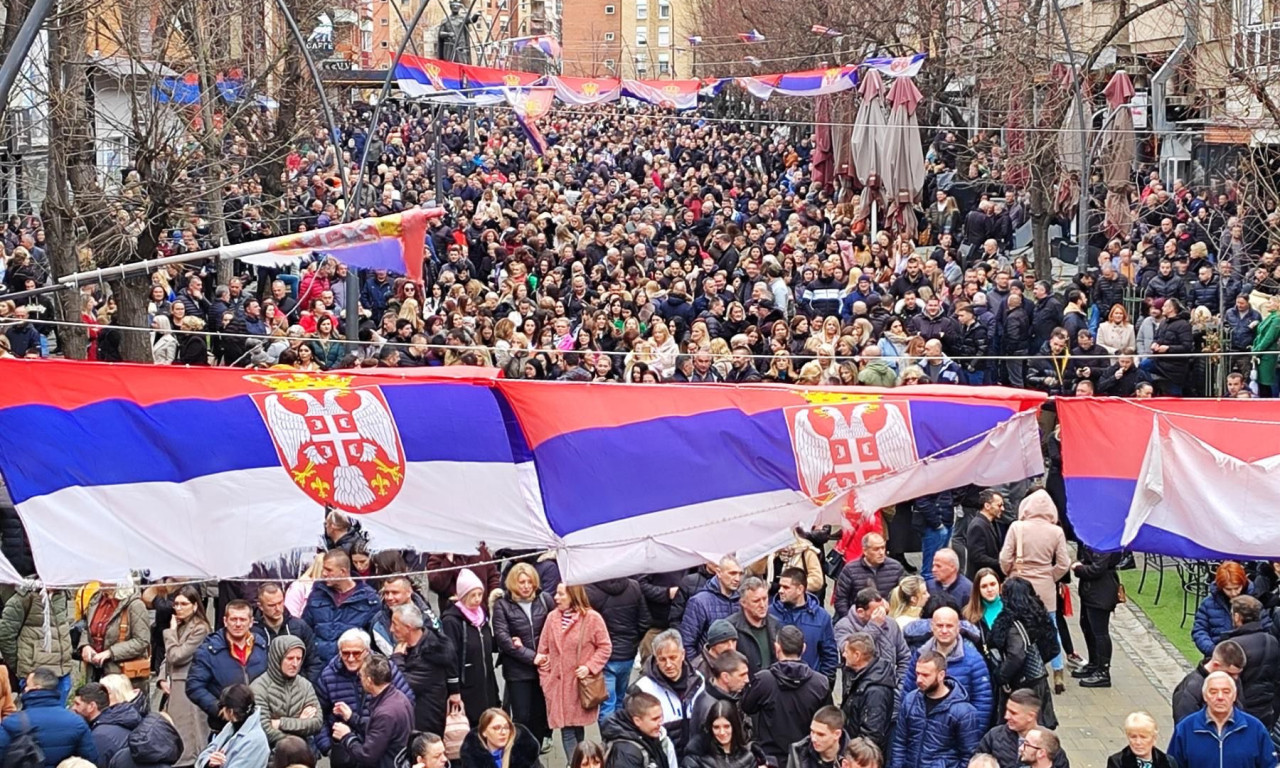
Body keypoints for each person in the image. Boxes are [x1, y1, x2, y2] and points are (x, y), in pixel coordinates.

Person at [998, 490, 1069, 690]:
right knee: (1051, 627)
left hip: (1018, 582)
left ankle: (1024, 668)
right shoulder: (1056, 531)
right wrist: (1050, 575)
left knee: (1017, 627)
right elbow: (1064, 563)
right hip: (1045, 586)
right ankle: (1058, 671)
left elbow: (1004, 557)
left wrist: (1009, 572)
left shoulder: (1017, 527)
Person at [314, 629, 415, 761]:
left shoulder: (385, 669)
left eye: (356, 653)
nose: (350, 658)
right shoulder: (328, 676)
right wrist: (328, 748)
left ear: (367, 651)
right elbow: (318, 715)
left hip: (379, 754)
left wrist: (348, 735)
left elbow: (407, 704)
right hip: (345, 754)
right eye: (345, 653)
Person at [537, 583, 612, 760]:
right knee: (567, 728)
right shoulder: (551, 618)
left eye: (561, 594)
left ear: (573, 595)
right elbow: (543, 649)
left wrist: (590, 667)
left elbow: (605, 647)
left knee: (576, 727)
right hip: (558, 685)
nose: (556, 597)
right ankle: (577, 762)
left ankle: (578, 761)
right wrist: (545, 678)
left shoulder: (592, 618)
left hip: (579, 685)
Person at [741, 625, 830, 763]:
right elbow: (828, 720)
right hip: (805, 759)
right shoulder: (820, 684)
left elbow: (747, 706)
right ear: (804, 648)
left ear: (777, 648)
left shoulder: (763, 680)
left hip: (770, 758)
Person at [492, 563, 553, 744]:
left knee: (540, 717)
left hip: (543, 669)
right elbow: (504, 639)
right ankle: (521, 756)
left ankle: (535, 753)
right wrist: (532, 656)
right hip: (518, 672)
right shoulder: (502, 606)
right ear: (513, 583)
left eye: (529, 581)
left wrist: (545, 655)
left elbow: (555, 628)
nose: (526, 586)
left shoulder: (544, 599)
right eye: (521, 582)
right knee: (522, 717)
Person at [902, 608, 994, 727]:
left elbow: (983, 702)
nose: (944, 630)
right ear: (932, 627)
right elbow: (907, 692)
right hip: (922, 729)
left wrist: (973, 733)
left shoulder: (974, 660)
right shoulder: (920, 655)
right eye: (940, 626)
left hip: (958, 732)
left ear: (958, 628)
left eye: (949, 626)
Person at [889, 652, 982, 768]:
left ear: (941, 675)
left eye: (925, 675)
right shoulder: (910, 700)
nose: (919, 679)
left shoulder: (964, 712)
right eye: (917, 673)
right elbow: (899, 743)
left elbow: (969, 756)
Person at [986, 578, 1058, 728]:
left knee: (1019, 727)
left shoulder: (1011, 623)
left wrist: (1001, 676)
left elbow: (1016, 654)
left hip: (1019, 684)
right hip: (1038, 679)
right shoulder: (1041, 616)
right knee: (1038, 726)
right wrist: (1037, 660)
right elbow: (1053, 648)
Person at [187, 600, 269, 730]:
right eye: (233, 619)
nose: (238, 624)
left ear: (251, 622)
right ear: (225, 621)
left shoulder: (261, 646)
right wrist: (219, 709)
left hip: (258, 723)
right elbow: (194, 686)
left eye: (242, 619)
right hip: (224, 727)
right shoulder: (208, 650)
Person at [1167, 672, 1274, 768]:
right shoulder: (1185, 729)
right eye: (1213, 692)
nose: (1220, 697)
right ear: (1204, 696)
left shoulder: (1255, 729)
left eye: (1226, 691)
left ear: (1234, 695)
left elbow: (1270, 764)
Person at [302, 549, 382, 673]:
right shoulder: (318, 592)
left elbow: (374, 642)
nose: (323, 573)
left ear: (343, 572)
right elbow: (305, 628)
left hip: (352, 669)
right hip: (317, 667)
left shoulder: (369, 599)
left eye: (329, 570)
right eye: (324, 569)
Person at [0, 667, 98, 767]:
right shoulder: (77, 723)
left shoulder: (12, 723)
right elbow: (89, 761)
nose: (24, 689)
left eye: (27, 685)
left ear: (36, 688)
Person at [630, 629, 706, 758]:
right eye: (662, 659)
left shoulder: (699, 680)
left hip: (695, 756)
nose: (668, 664)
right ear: (655, 659)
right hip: (662, 756)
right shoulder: (643, 687)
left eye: (673, 657)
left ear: (682, 655)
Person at [389, 603, 460, 740]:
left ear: (408, 628)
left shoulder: (432, 655)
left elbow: (403, 685)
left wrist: (397, 659)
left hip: (424, 725)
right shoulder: (410, 646)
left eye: (395, 624)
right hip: (411, 719)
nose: (391, 629)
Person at [585, 577, 652, 722]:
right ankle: (618, 739)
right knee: (620, 700)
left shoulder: (590, 590)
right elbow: (645, 621)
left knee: (607, 704)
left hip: (603, 656)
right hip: (627, 653)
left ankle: (608, 740)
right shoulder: (634, 586)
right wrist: (633, 641)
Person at [330, 654, 415, 768]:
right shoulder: (399, 697)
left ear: (369, 680)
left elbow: (367, 756)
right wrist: (351, 718)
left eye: (361, 675)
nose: (360, 679)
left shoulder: (385, 713)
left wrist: (346, 736)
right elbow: (379, 730)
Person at [440, 569, 500, 725]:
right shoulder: (452, 621)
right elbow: (450, 656)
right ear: (463, 595)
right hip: (467, 686)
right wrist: (454, 690)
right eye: (473, 595)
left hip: (486, 682)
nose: (477, 599)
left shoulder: (482, 615)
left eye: (480, 594)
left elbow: (487, 642)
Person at [159, 585, 211, 765]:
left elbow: (177, 655)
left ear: (195, 606)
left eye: (183, 604)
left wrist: (171, 633)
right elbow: (167, 657)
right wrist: (160, 679)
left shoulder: (200, 629)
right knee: (173, 729)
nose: (178, 608)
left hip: (188, 686)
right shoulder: (180, 626)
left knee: (189, 732)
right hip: (173, 685)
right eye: (176, 604)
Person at [0, 583, 75, 703]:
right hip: (35, 676)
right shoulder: (24, 598)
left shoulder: (63, 594)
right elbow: (5, 635)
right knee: (36, 718)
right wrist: (19, 666)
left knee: (59, 717)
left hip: (62, 673)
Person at [249, 635, 322, 748]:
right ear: (277, 658)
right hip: (270, 758)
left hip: (303, 757)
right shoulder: (259, 688)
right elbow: (264, 729)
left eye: (299, 659)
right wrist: (299, 723)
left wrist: (280, 723)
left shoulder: (305, 685)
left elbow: (316, 723)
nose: (295, 664)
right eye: (290, 658)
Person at [769, 569, 838, 684]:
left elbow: (829, 655)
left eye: (786, 587)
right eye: (780, 586)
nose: (780, 591)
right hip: (777, 686)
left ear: (800, 589)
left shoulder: (821, 617)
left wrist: (825, 685)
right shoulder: (770, 613)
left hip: (810, 686)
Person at [1221, 595, 1280, 728]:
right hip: (1266, 710)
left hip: (1239, 711)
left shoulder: (1232, 646)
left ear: (1236, 617)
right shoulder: (1272, 641)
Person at [77, 585, 151, 688]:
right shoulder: (95, 600)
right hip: (95, 673)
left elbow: (142, 641)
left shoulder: (135, 605)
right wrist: (85, 645)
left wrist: (110, 653)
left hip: (123, 679)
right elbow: (87, 627)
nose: (101, 581)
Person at [1070, 545, 1122, 689]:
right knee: (1087, 626)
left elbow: (1098, 568)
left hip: (1101, 591)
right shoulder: (1095, 539)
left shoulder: (1106, 543)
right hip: (1090, 591)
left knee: (1100, 632)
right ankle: (1094, 663)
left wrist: (1079, 568)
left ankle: (1103, 671)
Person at [974, 689, 1068, 768]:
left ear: (1030, 716)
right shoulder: (994, 736)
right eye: (1007, 710)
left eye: (1013, 713)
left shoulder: (1049, 744)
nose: (1006, 716)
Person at [833, 588, 911, 683]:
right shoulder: (843, 627)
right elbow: (849, 650)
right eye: (877, 611)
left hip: (889, 688)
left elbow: (905, 658)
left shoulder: (891, 624)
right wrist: (874, 626)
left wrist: (899, 685)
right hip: (859, 689)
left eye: (883, 609)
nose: (882, 615)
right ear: (861, 612)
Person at [837, 633, 895, 756]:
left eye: (846, 652)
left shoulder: (876, 692)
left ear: (857, 655)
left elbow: (871, 735)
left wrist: (854, 756)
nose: (843, 655)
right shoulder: (855, 675)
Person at [681, 556, 744, 658]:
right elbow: (687, 643)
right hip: (709, 666)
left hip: (735, 666)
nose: (737, 579)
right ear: (719, 573)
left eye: (740, 574)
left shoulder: (742, 600)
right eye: (732, 573)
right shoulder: (699, 602)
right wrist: (699, 670)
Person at [1171, 639, 1246, 724]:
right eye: (1230, 673)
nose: (1235, 678)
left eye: (1238, 674)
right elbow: (1185, 729)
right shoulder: (1191, 689)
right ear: (1216, 665)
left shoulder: (1233, 680)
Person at [195, 684, 270, 768]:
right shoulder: (231, 726)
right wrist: (209, 761)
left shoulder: (256, 741)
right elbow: (208, 751)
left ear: (230, 711)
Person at [71, 682, 141, 768]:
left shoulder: (99, 736)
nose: (73, 708)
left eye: (77, 704)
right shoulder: (116, 720)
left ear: (91, 706)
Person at [834, 534, 904, 617]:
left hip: (889, 619)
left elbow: (904, 597)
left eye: (883, 548)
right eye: (876, 549)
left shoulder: (896, 568)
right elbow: (840, 600)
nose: (881, 553)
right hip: (859, 621)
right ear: (865, 551)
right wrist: (852, 621)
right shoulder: (850, 570)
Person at [601, 693, 678, 768]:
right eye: (655, 719)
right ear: (637, 721)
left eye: (661, 717)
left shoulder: (650, 734)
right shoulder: (626, 752)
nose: (660, 723)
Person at [1192, 561, 1252, 657]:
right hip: (1217, 656)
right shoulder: (1208, 603)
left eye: (1237, 588)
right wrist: (1213, 650)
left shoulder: (1254, 602)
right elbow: (1199, 631)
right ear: (1221, 587)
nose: (1233, 593)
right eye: (1228, 589)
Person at [680, 700, 762, 768]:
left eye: (726, 726)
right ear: (710, 728)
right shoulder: (696, 758)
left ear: (734, 726)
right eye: (716, 727)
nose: (722, 732)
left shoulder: (748, 757)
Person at [726, 577, 780, 677]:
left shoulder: (775, 624)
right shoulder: (730, 628)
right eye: (756, 601)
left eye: (765, 599)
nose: (762, 605)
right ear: (743, 603)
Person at [460, 708, 541, 768]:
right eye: (496, 728)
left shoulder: (525, 754)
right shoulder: (473, 758)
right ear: (484, 732)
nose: (503, 732)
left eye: (506, 727)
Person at [1106, 711, 1174, 768]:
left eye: (1143, 737)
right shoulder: (1117, 762)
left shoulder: (1168, 762)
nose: (1138, 742)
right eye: (1133, 737)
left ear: (1154, 738)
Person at [965, 491, 1004, 581]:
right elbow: (977, 557)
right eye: (999, 505)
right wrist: (1001, 563)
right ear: (987, 506)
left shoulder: (993, 523)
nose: (1003, 509)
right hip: (980, 580)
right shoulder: (977, 526)